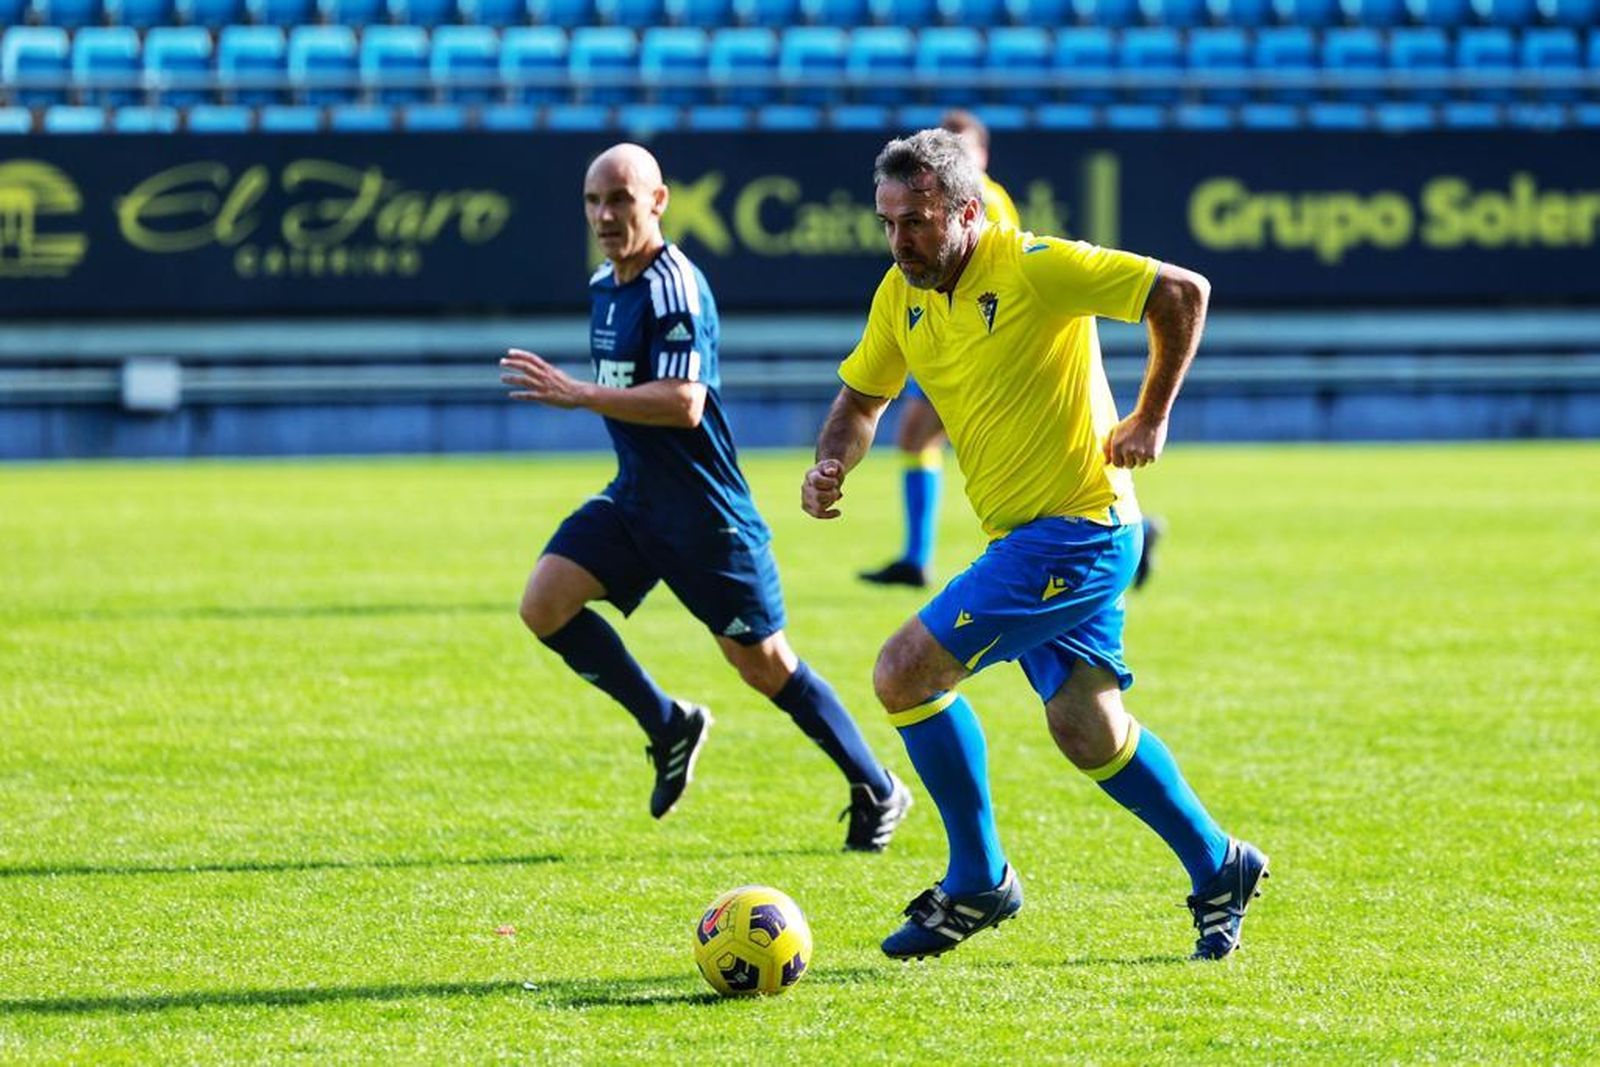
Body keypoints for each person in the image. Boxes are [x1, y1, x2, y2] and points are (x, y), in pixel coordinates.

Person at [802, 130, 1266, 960]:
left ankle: (978, 879)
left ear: (967, 212)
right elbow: (861, 397)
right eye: (887, 222)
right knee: (1088, 727)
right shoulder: (898, 297)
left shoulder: (1031, 264)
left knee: (903, 670)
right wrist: (832, 460)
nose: (899, 239)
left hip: (1077, 531)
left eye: (916, 221)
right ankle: (1219, 862)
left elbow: (1181, 293)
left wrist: (1152, 414)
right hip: (1031, 537)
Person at [502, 142, 912, 852]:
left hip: (705, 515)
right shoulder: (607, 282)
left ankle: (876, 783)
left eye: (621, 200)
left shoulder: (674, 286)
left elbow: (685, 403)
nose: (605, 214)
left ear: (658, 202)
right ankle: (668, 724)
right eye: (594, 201)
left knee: (765, 665)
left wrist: (579, 394)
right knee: (545, 602)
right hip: (636, 501)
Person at [859, 109, 1165, 593]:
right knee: (924, 437)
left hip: (985, 339)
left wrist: (1151, 416)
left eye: (963, 146)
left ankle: (1129, 527)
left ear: (981, 155)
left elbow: (999, 277)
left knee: (903, 667)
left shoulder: (984, 203)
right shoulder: (910, 255)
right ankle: (918, 555)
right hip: (949, 330)